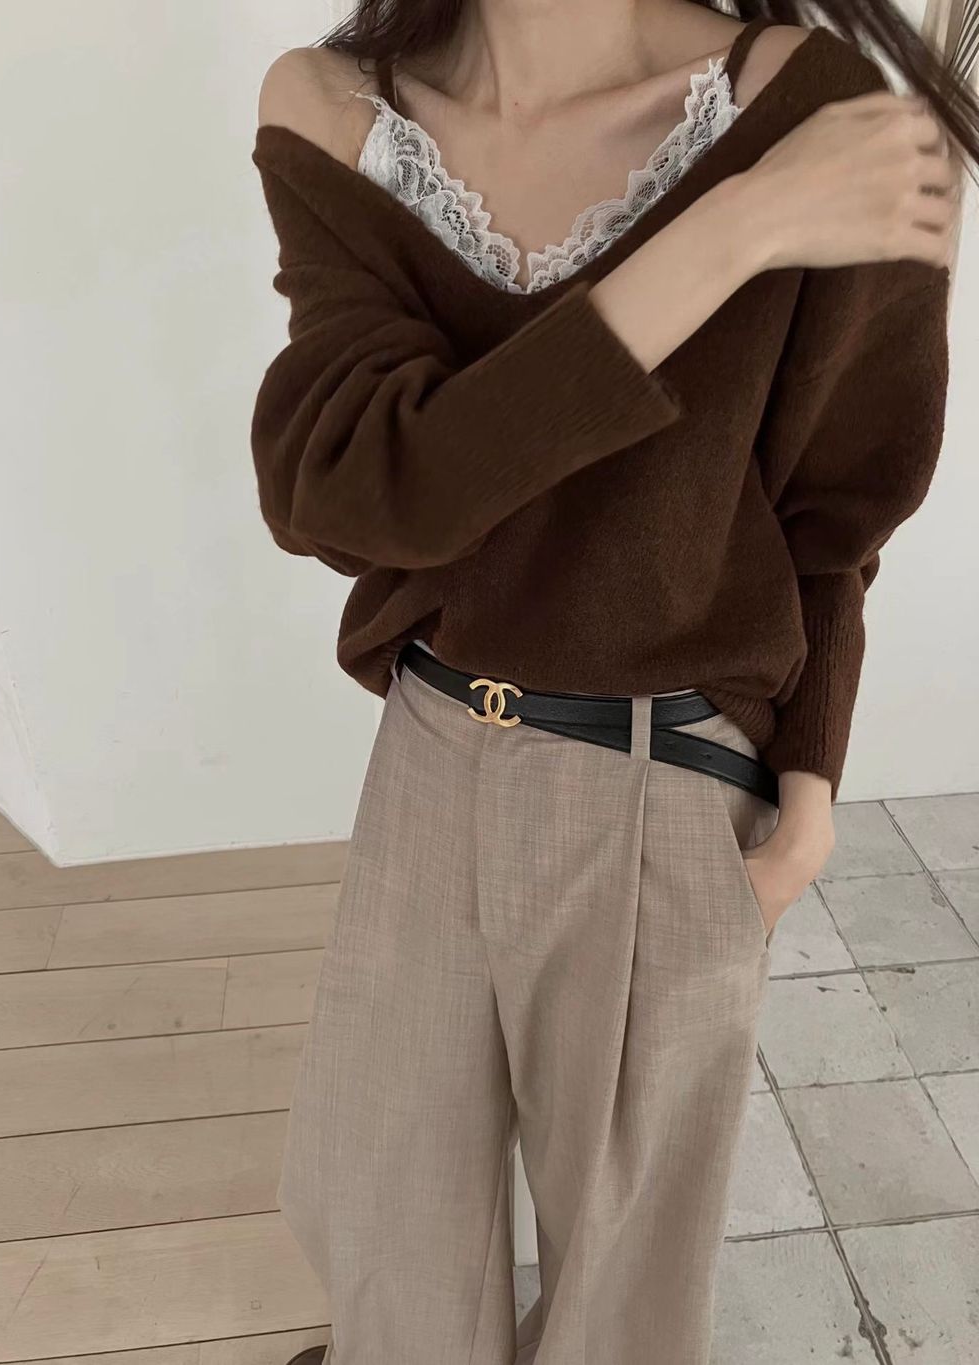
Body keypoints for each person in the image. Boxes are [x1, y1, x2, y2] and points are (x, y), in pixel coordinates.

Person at [250, 2, 971, 1361]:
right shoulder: (338, 113)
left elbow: (837, 518)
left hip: (663, 782)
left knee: (621, 1309)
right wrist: (738, 226)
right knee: (386, 1243)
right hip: (430, 747)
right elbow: (361, 488)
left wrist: (808, 798)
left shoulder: (822, 110)